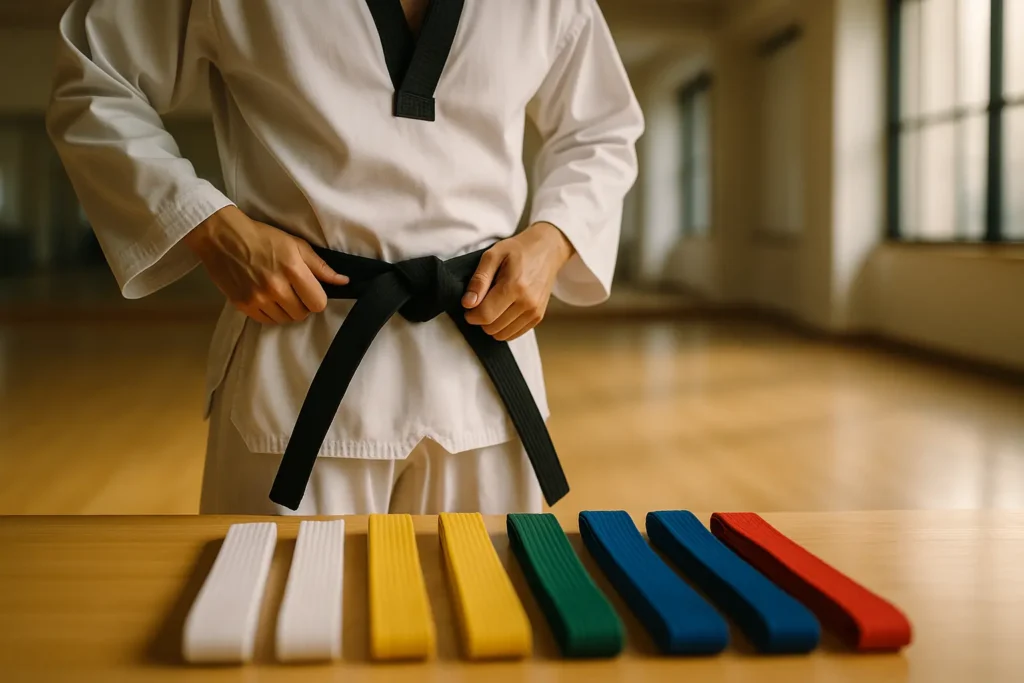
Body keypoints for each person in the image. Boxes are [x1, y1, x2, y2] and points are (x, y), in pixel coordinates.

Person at [46, 0, 644, 516]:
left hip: (486, 364)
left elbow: (601, 130)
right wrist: (208, 225)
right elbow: (94, 79)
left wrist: (555, 238)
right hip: (297, 359)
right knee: (275, 605)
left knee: (490, 602)